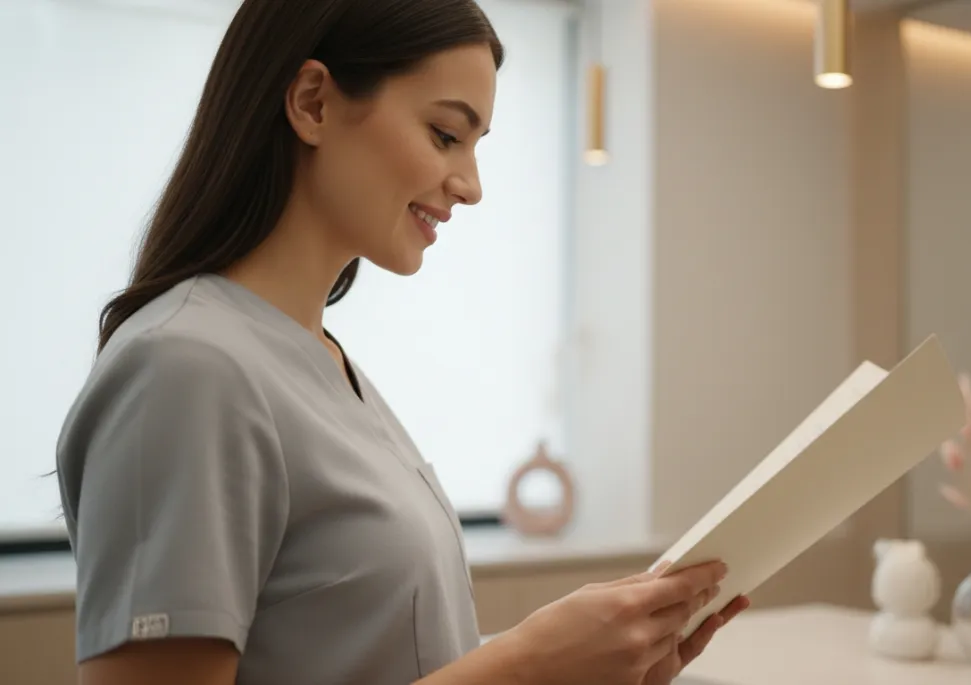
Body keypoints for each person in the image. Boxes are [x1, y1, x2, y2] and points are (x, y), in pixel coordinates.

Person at [53, 1, 750, 684]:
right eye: (447, 134)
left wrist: (582, 663)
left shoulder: (320, 362)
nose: (471, 186)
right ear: (313, 102)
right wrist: (525, 665)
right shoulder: (185, 368)